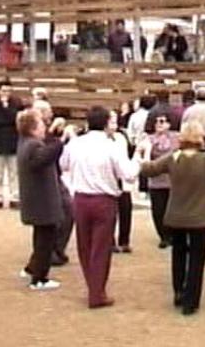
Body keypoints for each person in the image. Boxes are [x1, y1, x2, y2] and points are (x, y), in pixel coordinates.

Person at [140, 121, 205, 315]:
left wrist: (145, 151)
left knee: (178, 254)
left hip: (176, 216)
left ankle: (178, 291)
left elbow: (148, 169)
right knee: (197, 258)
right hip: (200, 217)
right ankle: (191, 301)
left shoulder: (173, 157)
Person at [60, 105, 142, 308]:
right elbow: (129, 174)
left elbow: (63, 165)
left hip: (81, 198)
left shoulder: (75, 144)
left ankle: (93, 286)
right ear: (106, 123)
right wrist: (138, 156)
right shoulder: (112, 146)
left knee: (85, 246)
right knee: (101, 247)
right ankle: (97, 292)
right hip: (104, 199)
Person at [16, 108, 70, 291]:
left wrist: (55, 134)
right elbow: (44, 157)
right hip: (42, 202)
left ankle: (34, 269)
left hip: (37, 201)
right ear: (32, 128)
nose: (44, 127)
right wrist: (62, 140)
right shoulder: (33, 146)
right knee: (45, 240)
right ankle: (39, 278)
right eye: (40, 124)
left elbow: (46, 147)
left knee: (42, 237)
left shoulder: (26, 143)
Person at [31, 100, 74, 266]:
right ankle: (51, 251)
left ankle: (54, 250)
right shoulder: (34, 133)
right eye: (48, 111)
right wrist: (61, 137)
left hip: (54, 175)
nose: (51, 114)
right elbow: (48, 149)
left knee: (65, 212)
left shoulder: (44, 130)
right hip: (48, 178)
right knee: (63, 212)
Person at [0, 78, 25, 210]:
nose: (6, 93)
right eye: (3, 90)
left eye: (8, 91)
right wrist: (8, 120)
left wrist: (6, 110)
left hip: (13, 141)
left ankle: (15, 198)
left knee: (14, 172)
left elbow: (18, 120)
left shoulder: (17, 102)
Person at [147, 111, 180, 249]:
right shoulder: (148, 139)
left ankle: (174, 235)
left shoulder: (176, 137)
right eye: (156, 121)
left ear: (169, 123)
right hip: (156, 180)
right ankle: (164, 236)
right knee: (158, 210)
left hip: (173, 180)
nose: (159, 124)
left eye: (162, 121)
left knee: (173, 209)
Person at [107, 111, 134, 254]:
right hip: (108, 179)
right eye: (111, 122)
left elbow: (126, 156)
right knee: (110, 212)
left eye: (115, 121)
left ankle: (124, 241)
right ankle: (110, 241)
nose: (114, 125)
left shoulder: (121, 137)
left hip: (122, 177)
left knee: (126, 208)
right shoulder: (101, 140)